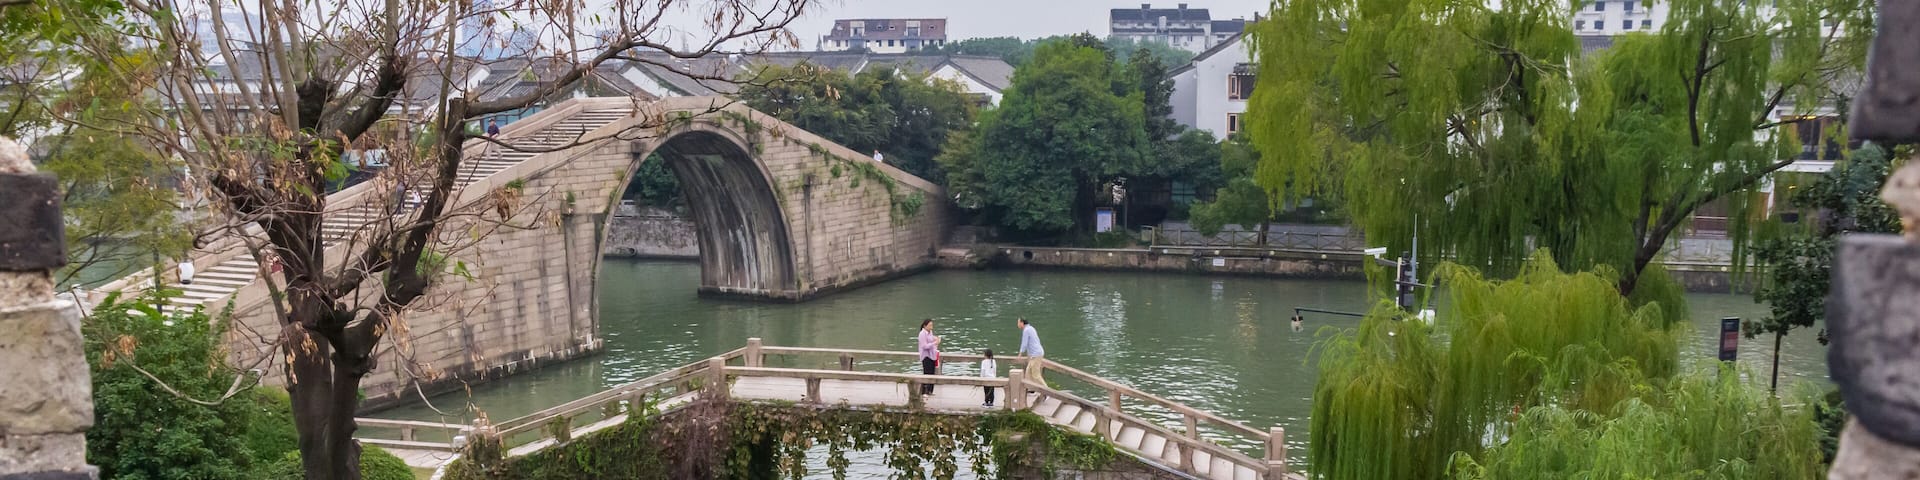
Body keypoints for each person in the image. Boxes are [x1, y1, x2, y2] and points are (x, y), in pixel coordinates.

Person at [1016, 318, 1045, 384]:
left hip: (1036, 354)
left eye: (1018, 322)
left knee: (1036, 375)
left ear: (1022, 323)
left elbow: (1024, 343)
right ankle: (1032, 390)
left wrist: (1020, 354)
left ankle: (1047, 391)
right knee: (1028, 374)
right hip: (1037, 353)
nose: (1017, 324)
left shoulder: (1026, 330)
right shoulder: (1031, 328)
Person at [918, 318, 940, 396]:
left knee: (932, 373)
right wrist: (934, 343)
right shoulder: (922, 334)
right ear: (925, 326)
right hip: (926, 356)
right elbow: (924, 346)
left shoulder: (930, 332)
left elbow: (931, 338)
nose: (931, 326)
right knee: (927, 373)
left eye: (932, 325)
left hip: (932, 355)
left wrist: (936, 339)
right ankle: (924, 392)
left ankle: (930, 391)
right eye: (930, 325)